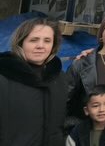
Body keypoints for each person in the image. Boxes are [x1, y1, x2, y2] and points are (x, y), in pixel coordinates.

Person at [0, 18, 66, 146]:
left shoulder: (59, 78)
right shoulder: (4, 76)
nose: (40, 46)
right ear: (20, 42)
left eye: (47, 41)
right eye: (34, 40)